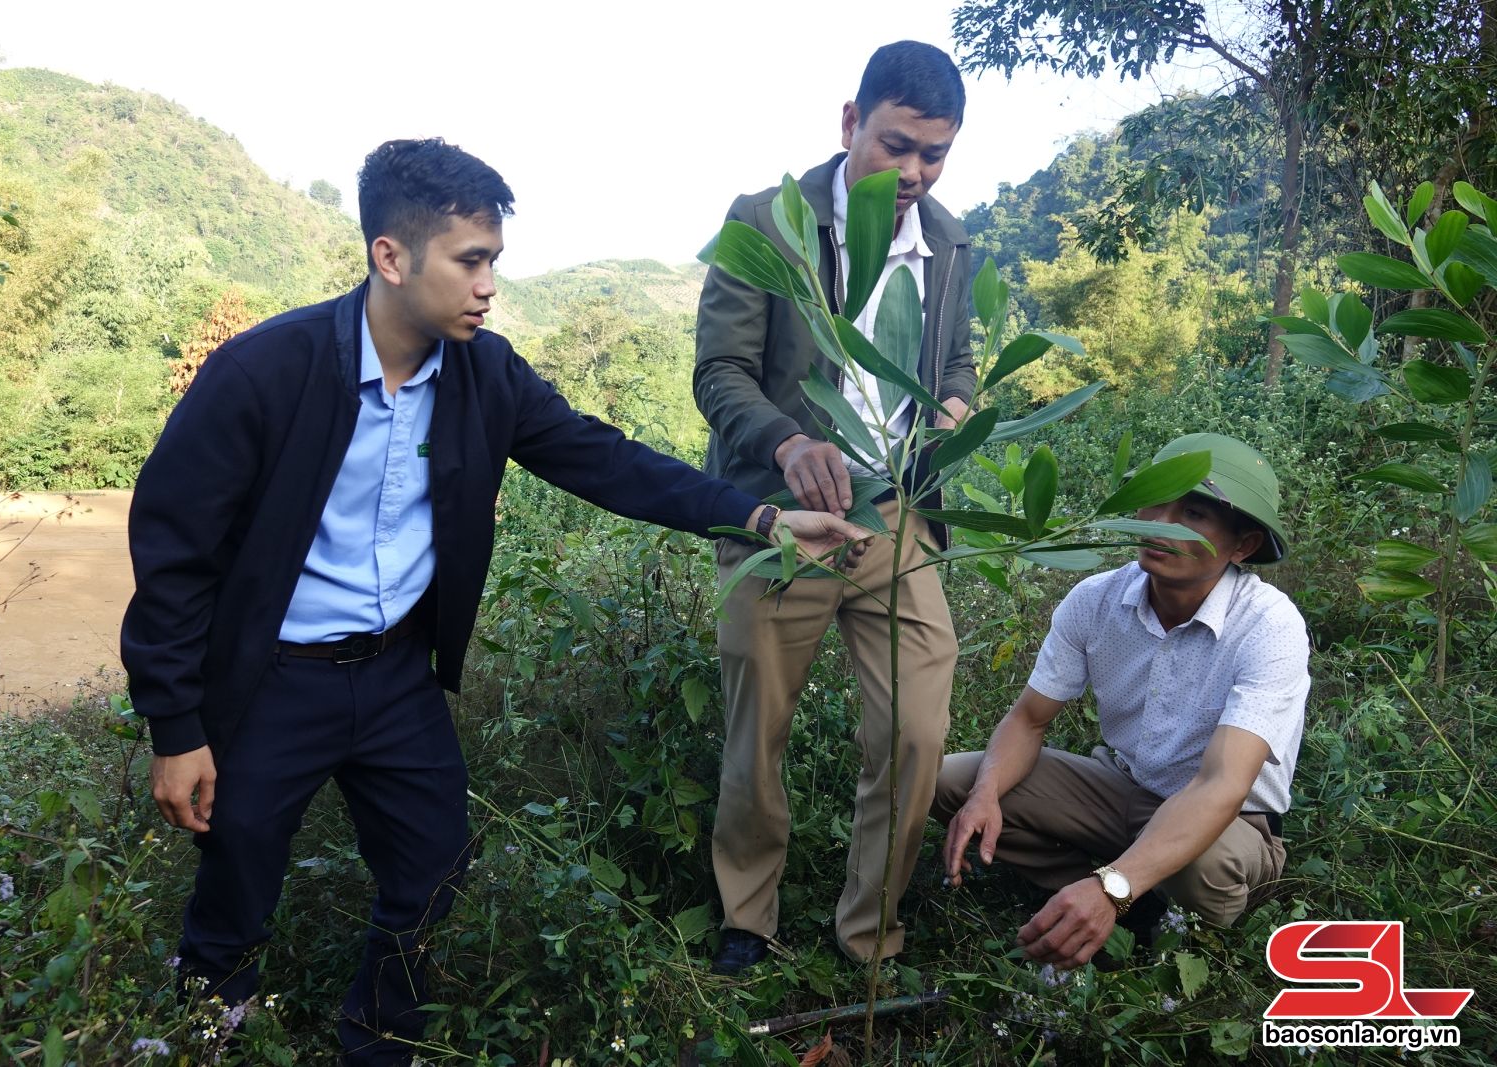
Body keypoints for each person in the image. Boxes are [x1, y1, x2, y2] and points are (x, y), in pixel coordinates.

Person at [121, 137, 864, 1065]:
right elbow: (174, 552)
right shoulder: (265, 371)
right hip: (274, 679)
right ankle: (205, 1041)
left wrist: (760, 517)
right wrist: (176, 725)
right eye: (469, 261)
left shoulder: (485, 376)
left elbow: (607, 461)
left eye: (495, 262)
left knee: (434, 869)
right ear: (391, 256)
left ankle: (378, 1045)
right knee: (235, 887)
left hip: (395, 675)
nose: (488, 287)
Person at [693, 40, 976, 973]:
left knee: (917, 730)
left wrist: (954, 409)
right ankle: (748, 914)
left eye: (935, 154)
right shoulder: (768, 224)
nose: (914, 172)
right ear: (851, 121)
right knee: (757, 732)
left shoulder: (949, 242)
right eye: (897, 145)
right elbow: (720, 372)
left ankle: (870, 931)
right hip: (785, 517)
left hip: (896, 515)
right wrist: (788, 441)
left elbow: (958, 360)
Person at [934, 433, 1309, 969]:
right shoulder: (1096, 600)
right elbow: (1029, 721)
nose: (1160, 524)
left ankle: (1130, 900)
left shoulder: (1268, 625)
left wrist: (1112, 886)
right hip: (1122, 788)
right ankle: (1112, 901)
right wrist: (986, 793)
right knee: (952, 783)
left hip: (1230, 823)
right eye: (1154, 501)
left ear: (1243, 546)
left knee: (1206, 866)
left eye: (1194, 514)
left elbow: (1222, 786)